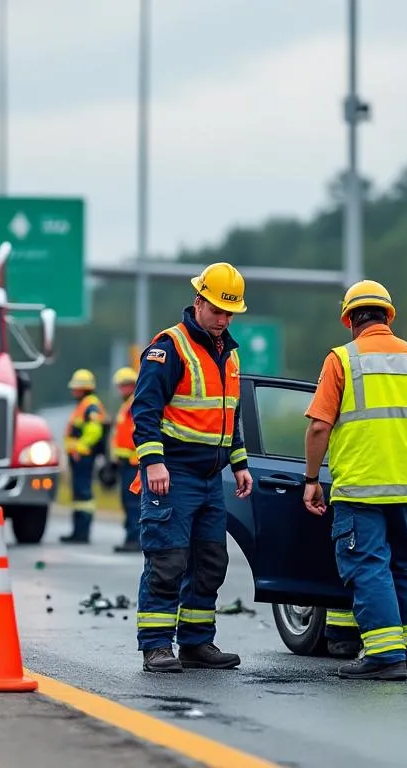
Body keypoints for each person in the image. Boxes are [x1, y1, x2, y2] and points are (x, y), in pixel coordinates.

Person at [301, 280, 407, 680]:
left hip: (361, 488)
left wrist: (311, 478)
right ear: (388, 316)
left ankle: (385, 655)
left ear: (350, 319)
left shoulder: (342, 360)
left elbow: (318, 429)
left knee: (369, 567)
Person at [129, 262, 253, 673]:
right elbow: (145, 410)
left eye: (228, 313)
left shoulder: (228, 354)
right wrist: (153, 462)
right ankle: (157, 646)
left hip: (208, 478)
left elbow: (229, 415)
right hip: (173, 474)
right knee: (167, 560)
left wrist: (239, 464)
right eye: (216, 310)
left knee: (211, 561)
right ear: (198, 302)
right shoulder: (170, 348)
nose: (222, 320)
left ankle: (197, 643)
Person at [61, 368, 105, 544]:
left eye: (75, 388)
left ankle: (82, 532)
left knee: (84, 495)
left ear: (83, 388)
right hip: (79, 456)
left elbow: (95, 430)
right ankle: (77, 531)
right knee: (79, 495)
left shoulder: (90, 405)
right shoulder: (84, 405)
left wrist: (80, 448)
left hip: (83, 456)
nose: (73, 391)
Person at [110, 366, 142, 553]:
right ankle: (131, 537)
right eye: (121, 385)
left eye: (126, 385)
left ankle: (135, 539)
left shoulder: (135, 404)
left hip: (133, 463)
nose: (122, 389)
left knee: (132, 502)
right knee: (128, 501)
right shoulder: (128, 404)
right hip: (125, 462)